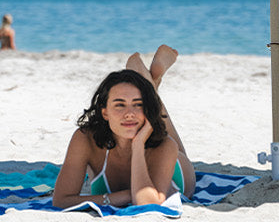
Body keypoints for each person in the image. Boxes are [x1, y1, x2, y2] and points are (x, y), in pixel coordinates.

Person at [53, 45, 193, 209]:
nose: (129, 113)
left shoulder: (165, 145)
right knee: (151, 111)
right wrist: (128, 194)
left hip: (178, 174)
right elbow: (61, 200)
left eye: (138, 105)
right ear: (105, 112)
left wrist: (139, 144)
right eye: (120, 105)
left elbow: (148, 204)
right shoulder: (85, 139)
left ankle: (151, 90)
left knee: (174, 145)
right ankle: (150, 87)